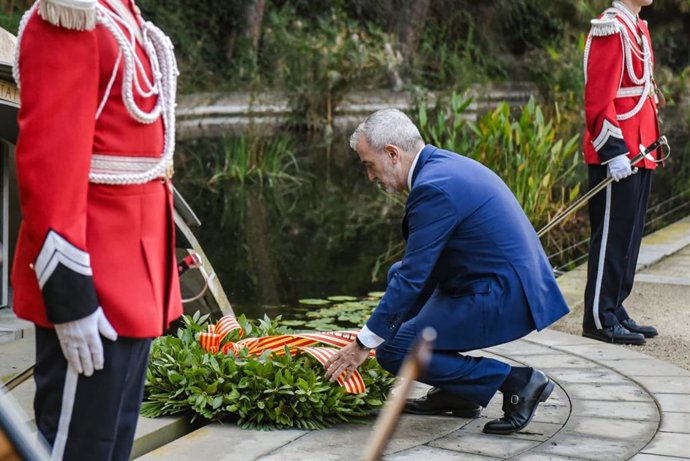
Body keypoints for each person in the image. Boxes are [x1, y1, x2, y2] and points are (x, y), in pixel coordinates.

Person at [324, 109, 570, 434]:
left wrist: (363, 343)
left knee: (394, 351)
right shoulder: (439, 167)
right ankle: (459, 392)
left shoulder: (432, 190)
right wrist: (383, 326)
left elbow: (416, 277)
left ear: (393, 154)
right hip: (489, 281)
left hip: (506, 295)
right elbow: (416, 272)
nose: (370, 176)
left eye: (369, 165)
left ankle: (518, 382)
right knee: (397, 280)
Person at [11, 0, 182, 459]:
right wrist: (71, 300)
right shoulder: (67, 15)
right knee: (78, 449)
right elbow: (49, 169)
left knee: (110, 447)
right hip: (95, 281)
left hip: (134, 279)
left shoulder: (120, 11)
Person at [582, 0, 662, 345]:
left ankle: (614, 307)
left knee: (629, 237)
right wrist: (613, 151)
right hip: (618, 151)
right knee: (611, 239)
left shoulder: (637, 27)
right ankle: (598, 317)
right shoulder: (610, 28)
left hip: (641, 148)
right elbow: (599, 100)